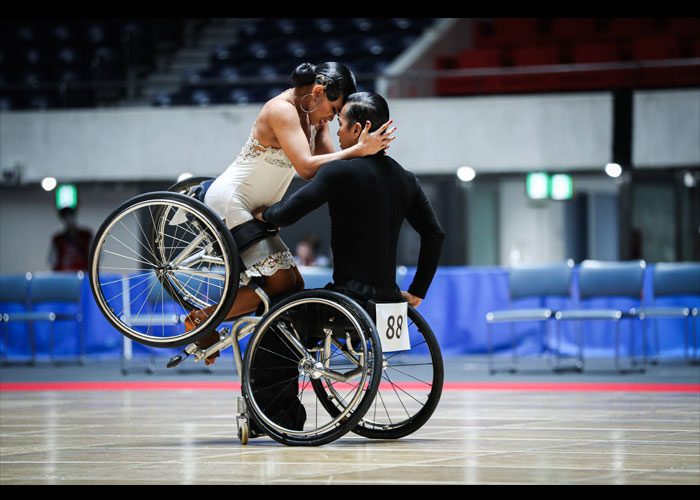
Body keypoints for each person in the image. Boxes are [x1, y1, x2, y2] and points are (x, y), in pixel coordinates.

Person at [185, 62, 395, 365]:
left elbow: (321, 169)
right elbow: (307, 166)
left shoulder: (314, 117)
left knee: (294, 285)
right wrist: (357, 151)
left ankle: (215, 323)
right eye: (334, 109)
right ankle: (202, 319)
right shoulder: (281, 109)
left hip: (256, 211)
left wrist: (363, 157)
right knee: (281, 284)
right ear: (319, 91)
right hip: (231, 201)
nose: (333, 118)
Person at [256, 91, 444, 309]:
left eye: (341, 123)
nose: (337, 132)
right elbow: (435, 234)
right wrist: (417, 291)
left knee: (271, 307)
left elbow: (286, 214)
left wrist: (262, 213)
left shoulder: (340, 171)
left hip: (348, 299)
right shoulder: (407, 179)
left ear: (356, 130)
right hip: (389, 299)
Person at [49, 207, 92, 271]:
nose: (68, 219)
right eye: (66, 216)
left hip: (84, 275)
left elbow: (97, 257)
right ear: (62, 218)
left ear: (74, 215)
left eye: (70, 215)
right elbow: (52, 261)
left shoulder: (86, 236)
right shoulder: (58, 240)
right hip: (64, 277)